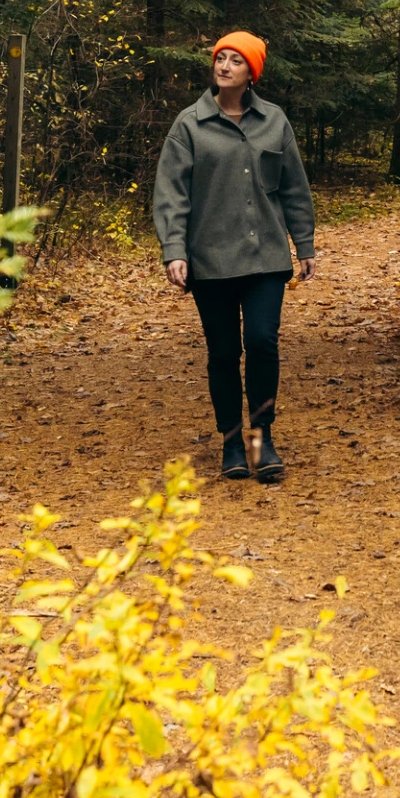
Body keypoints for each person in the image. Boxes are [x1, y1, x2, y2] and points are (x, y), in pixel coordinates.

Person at [152, 31, 317, 482]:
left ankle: (262, 439)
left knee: (262, 343)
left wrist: (304, 244)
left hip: (265, 256)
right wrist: (174, 251)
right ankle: (231, 442)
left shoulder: (274, 121)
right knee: (223, 352)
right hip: (210, 260)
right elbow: (171, 195)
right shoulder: (189, 125)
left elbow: (294, 188)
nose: (224, 66)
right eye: (219, 58)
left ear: (251, 72)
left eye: (235, 61)